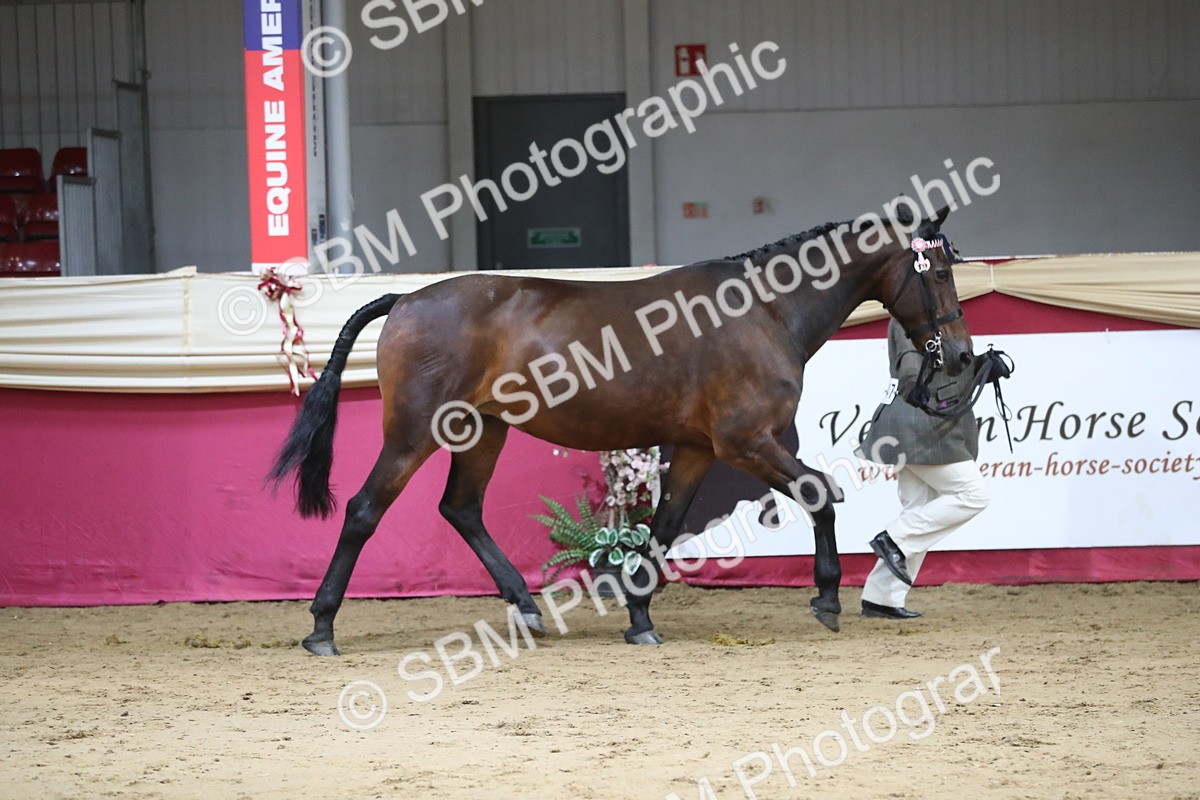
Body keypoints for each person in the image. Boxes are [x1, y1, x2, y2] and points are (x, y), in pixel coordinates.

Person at [854, 318, 990, 619]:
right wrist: (915, 382)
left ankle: (882, 597)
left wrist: (983, 367)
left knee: (920, 507)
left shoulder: (940, 311)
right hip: (920, 424)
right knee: (973, 494)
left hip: (918, 423)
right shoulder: (912, 313)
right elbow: (911, 365)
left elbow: (949, 365)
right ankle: (893, 539)